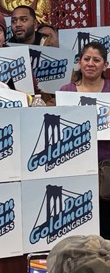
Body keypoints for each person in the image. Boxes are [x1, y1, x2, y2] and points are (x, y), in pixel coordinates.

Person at [58, 41, 110, 239]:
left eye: (96, 60)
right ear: (79, 63)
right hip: (75, 166)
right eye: (86, 59)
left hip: (106, 165)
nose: (90, 63)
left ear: (105, 65)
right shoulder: (66, 91)